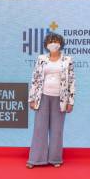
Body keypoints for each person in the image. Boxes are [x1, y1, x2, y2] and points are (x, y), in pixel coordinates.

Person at [27, 32, 75, 168]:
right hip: (42, 97)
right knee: (39, 128)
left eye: (56, 41)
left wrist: (70, 101)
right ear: (46, 44)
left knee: (57, 129)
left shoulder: (68, 60)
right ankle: (36, 160)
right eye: (50, 41)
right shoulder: (41, 58)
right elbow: (35, 79)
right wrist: (32, 98)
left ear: (60, 43)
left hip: (61, 99)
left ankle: (55, 159)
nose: (53, 43)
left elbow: (71, 81)